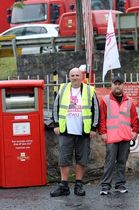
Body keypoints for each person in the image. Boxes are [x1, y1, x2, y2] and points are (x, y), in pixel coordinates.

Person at [50, 67, 99, 197]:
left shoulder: (89, 90)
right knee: (64, 159)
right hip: (66, 130)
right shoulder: (63, 89)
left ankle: (78, 185)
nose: (75, 77)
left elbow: (96, 109)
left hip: (83, 131)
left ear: (81, 76)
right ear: (69, 77)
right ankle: (64, 186)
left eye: (77, 75)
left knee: (81, 159)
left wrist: (93, 128)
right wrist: (56, 124)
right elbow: (55, 107)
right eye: (73, 75)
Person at [99, 76, 139, 195]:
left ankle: (120, 184)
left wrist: (135, 131)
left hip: (125, 136)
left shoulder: (129, 101)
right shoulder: (105, 100)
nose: (117, 86)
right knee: (110, 162)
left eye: (119, 83)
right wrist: (103, 132)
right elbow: (102, 118)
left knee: (122, 161)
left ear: (123, 85)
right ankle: (105, 186)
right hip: (111, 137)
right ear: (111, 85)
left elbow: (134, 119)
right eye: (115, 83)